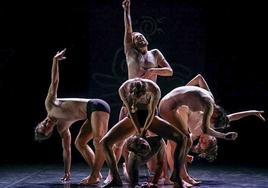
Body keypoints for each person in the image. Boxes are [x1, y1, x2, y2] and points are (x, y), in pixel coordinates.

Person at [104, 0, 174, 184]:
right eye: (135, 38)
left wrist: (154, 71)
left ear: (147, 39)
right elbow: (128, 31)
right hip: (132, 103)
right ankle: (113, 173)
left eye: (140, 36)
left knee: (158, 141)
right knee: (119, 141)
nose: (138, 38)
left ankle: (165, 177)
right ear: (132, 44)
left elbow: (170, 71)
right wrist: (126, 10)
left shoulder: (155, 54)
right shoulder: (131, 53)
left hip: (150, 103)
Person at [159, 74, 265, 186]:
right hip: (176, 107)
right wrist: (183, 93)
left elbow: (182, 148)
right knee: (181, 142)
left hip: (175, 107)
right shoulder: (212, 114)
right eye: (206, 141)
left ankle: (177, 177)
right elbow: (233, 117)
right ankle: (180, 177)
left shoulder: (207, 123)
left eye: (201, 143)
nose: (202, 140)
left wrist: (183, 93)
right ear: (212, 139)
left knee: (177, 143)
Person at [34, 49, 111, 185]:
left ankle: (94, 176)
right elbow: (67, 150)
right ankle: (97, 173)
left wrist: (55, 61)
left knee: (98, 141)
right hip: (91, 114)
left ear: (39, 122)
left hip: (96, 105)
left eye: (43, 124)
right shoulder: (62, 128)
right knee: (79, 143)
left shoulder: (50, 105)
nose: (47, 124)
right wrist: (66, 171)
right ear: (51, 131)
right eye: (47, 127)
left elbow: (54, 82)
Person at [101, 78, 188, 188]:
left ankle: (176, 175)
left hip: (151, 117)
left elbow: (151, 112)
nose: (139, 98)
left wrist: (145, 129)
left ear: (146, 91)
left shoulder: (154, 89)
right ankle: (116, 178)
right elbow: (131, 113)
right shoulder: (123, 89)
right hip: (133, 116)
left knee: (182, 138)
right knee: (105, 142)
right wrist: (138, 129)